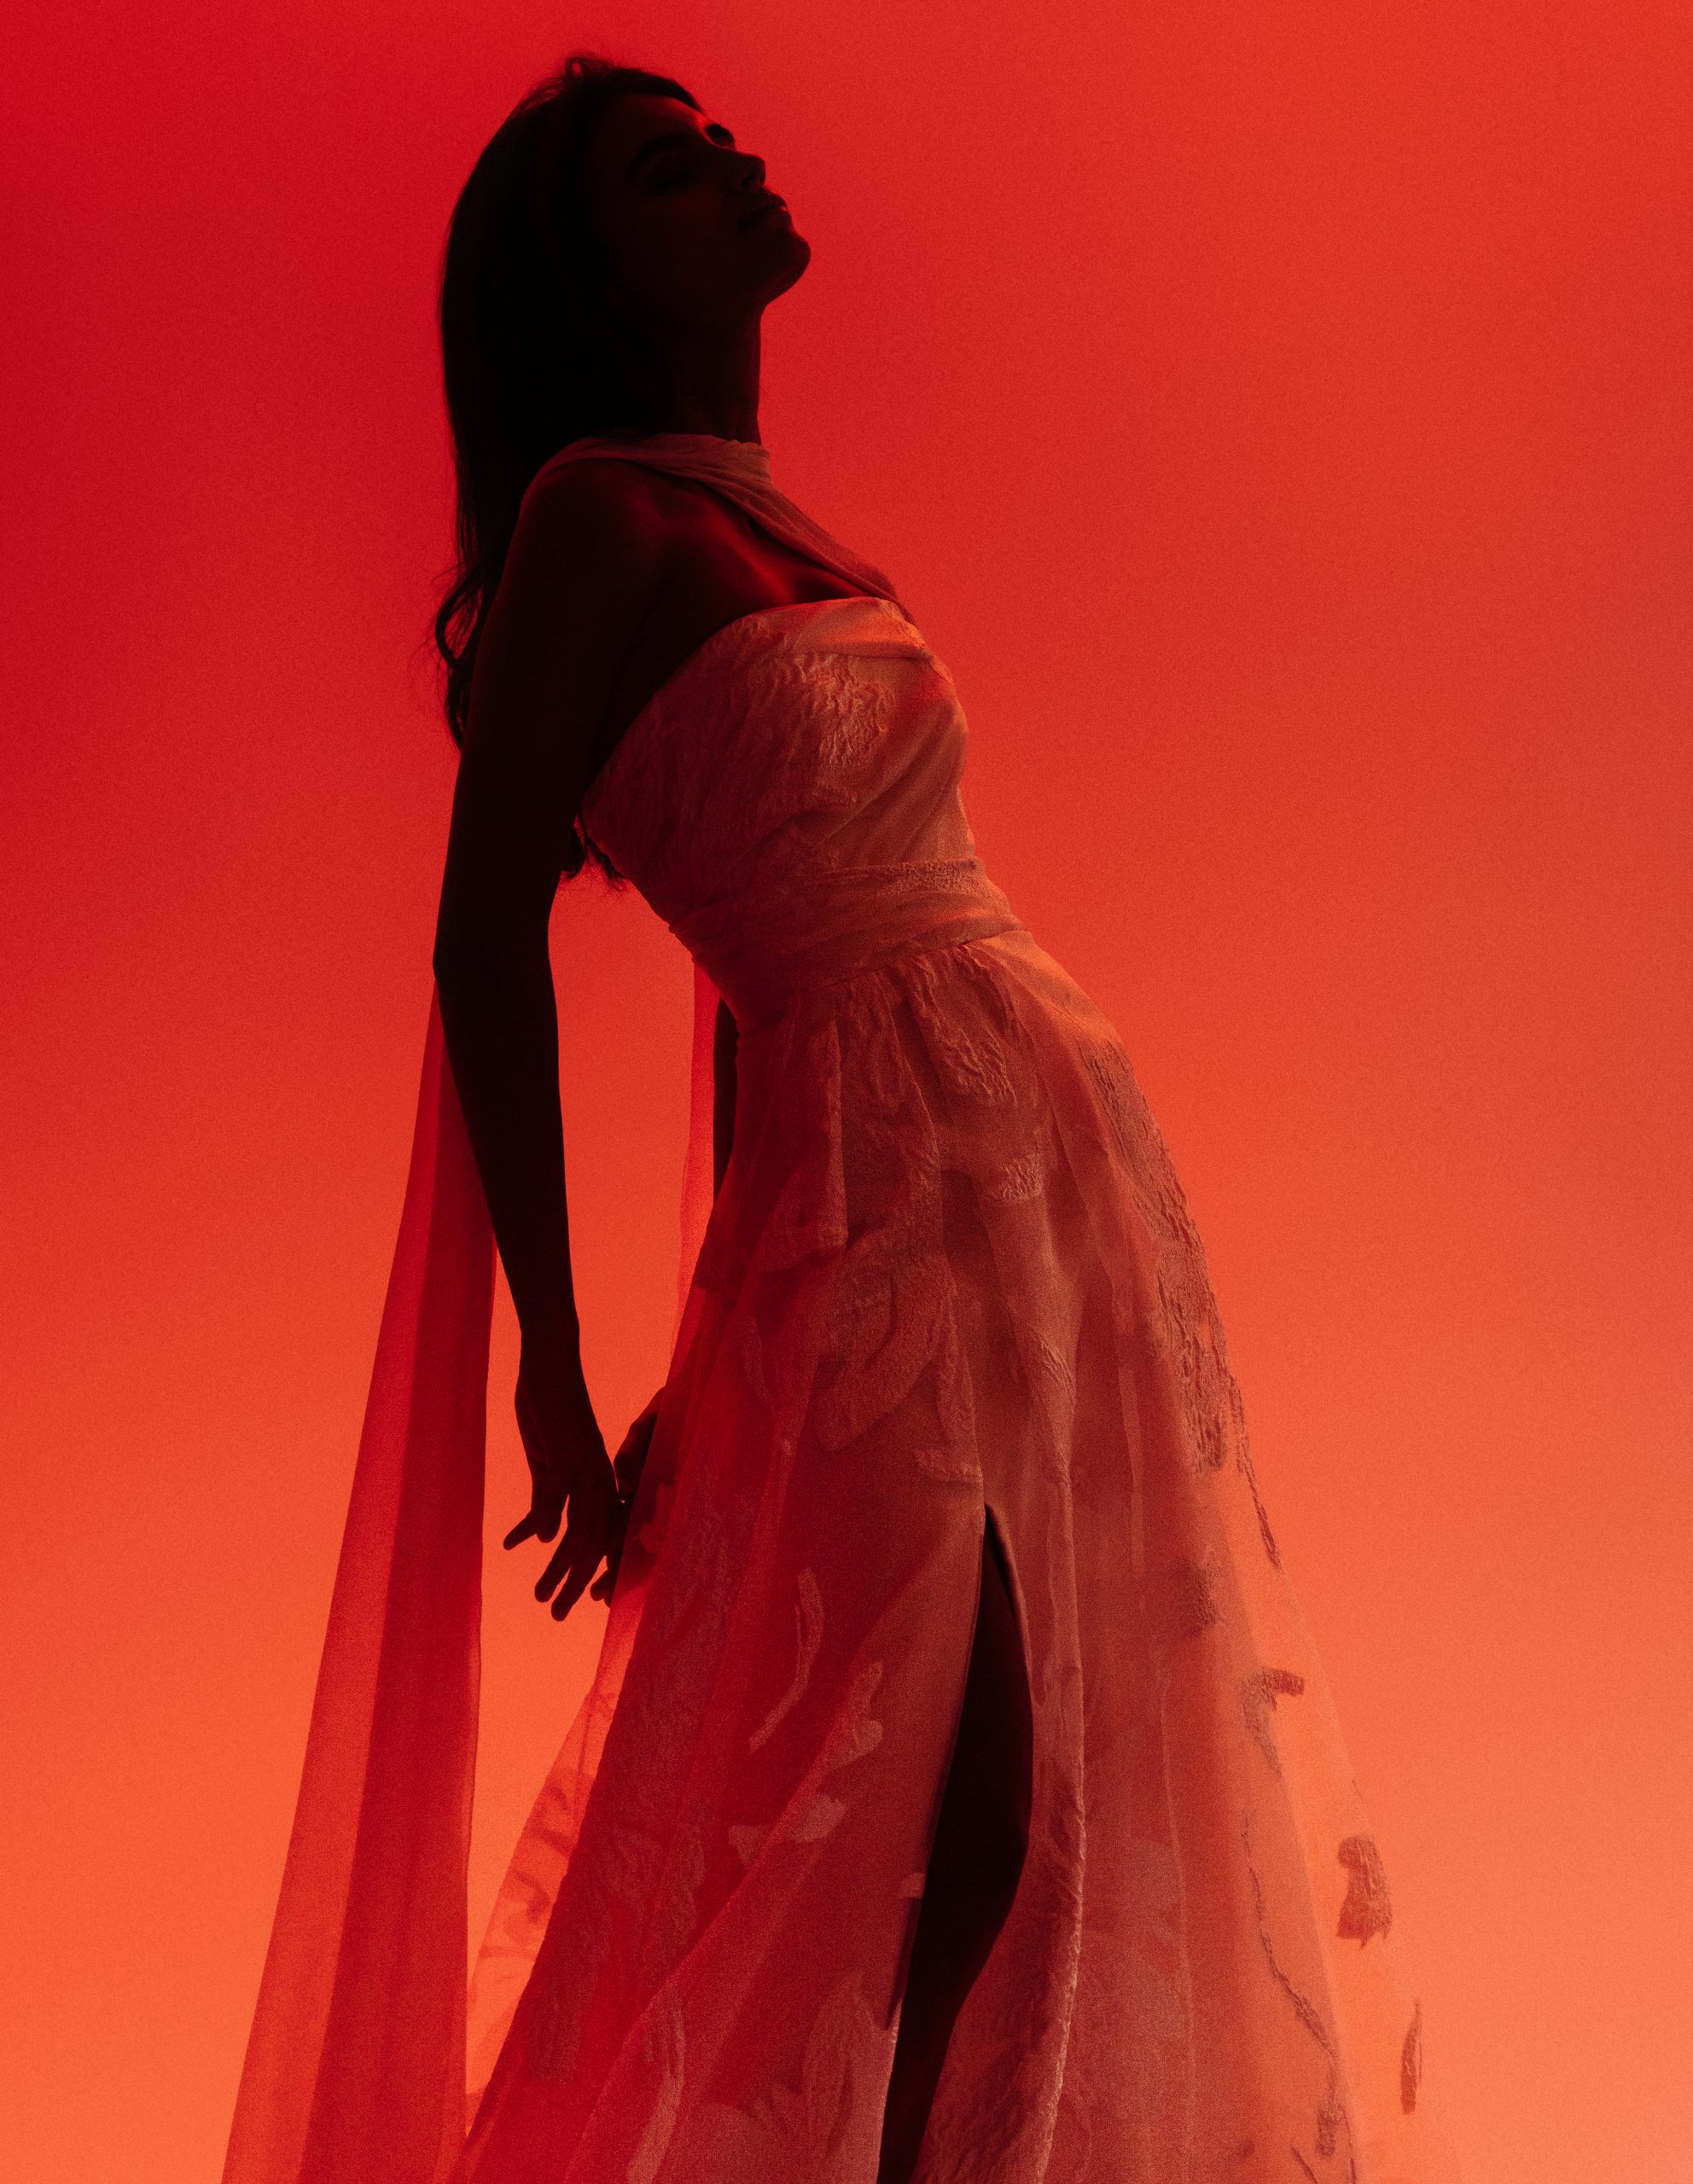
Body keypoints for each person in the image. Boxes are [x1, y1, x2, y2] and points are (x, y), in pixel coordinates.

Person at [222, 52, 1463, 2184]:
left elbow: (740, 993)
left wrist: (725, 1300)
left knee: (1053, 1787)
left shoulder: (777, 525)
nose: (729, 161)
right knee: (919, 1789)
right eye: (664, 165)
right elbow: (481, 939)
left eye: (713, 133)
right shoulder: (597, 518)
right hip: (884, 1177)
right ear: (591, 272)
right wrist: (550, 1356)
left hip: (1031, 1174)